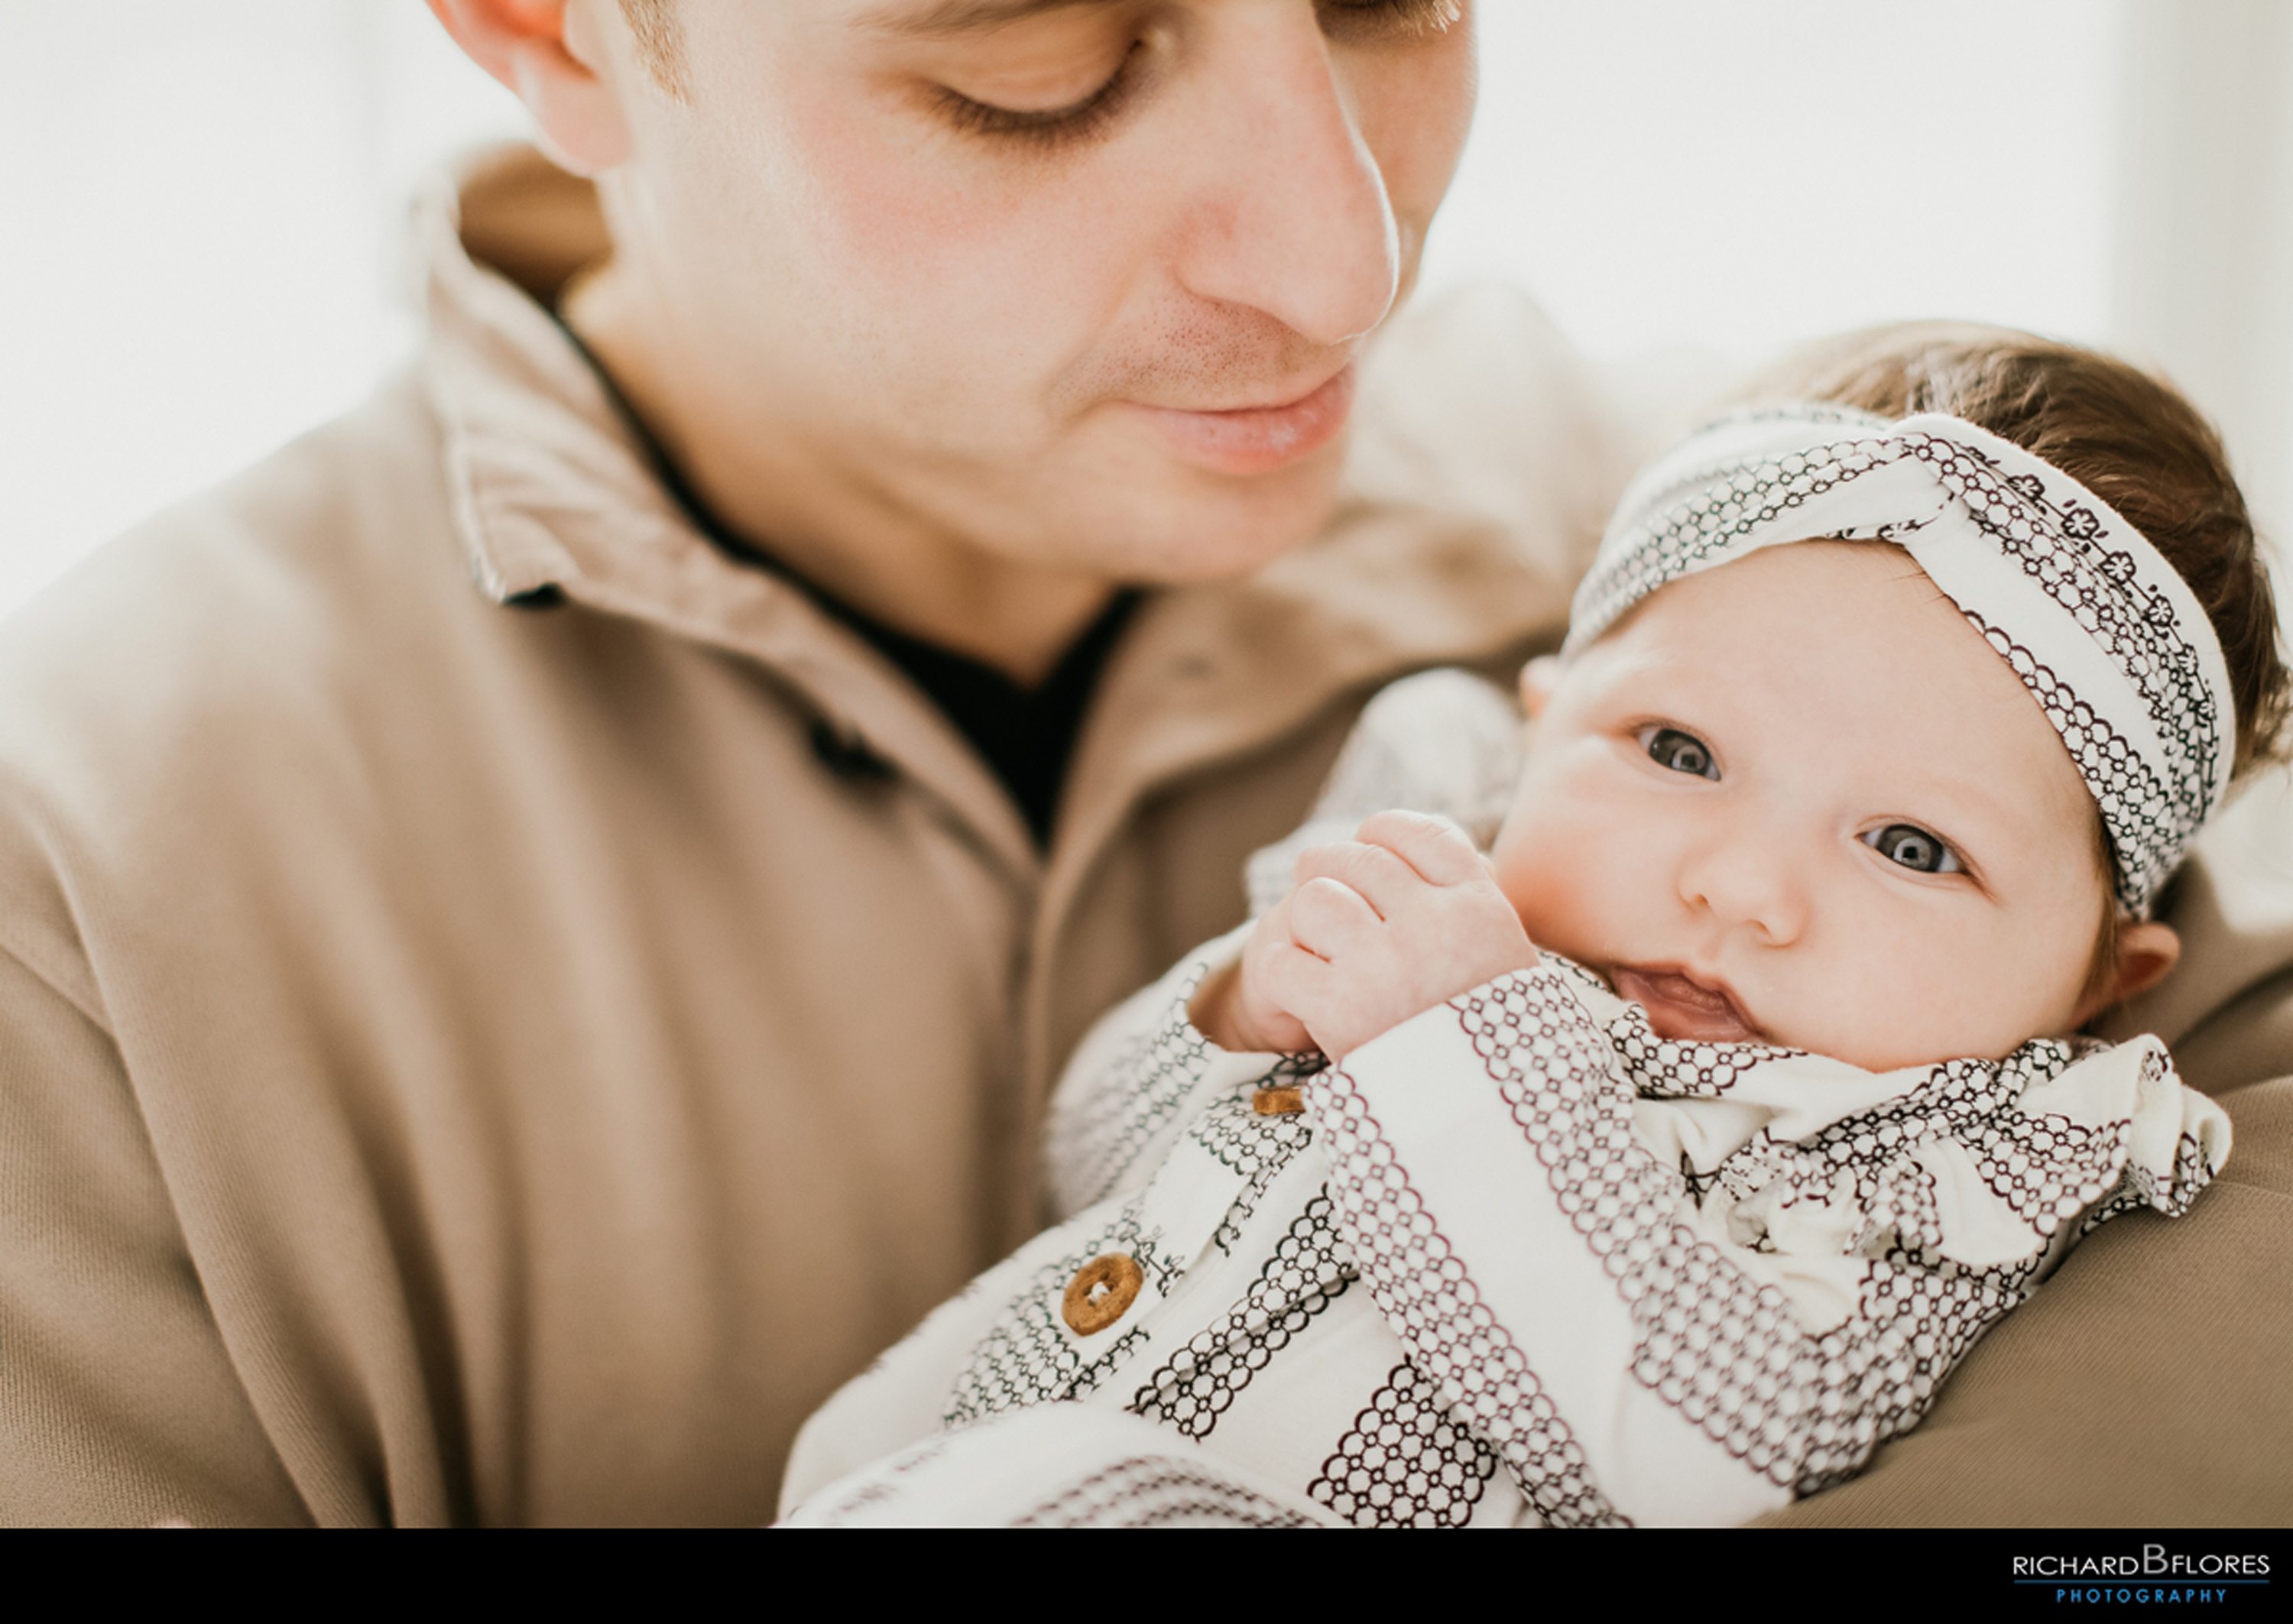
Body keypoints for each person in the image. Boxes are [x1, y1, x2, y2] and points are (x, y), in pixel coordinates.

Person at [0, 0, 1623, 1525]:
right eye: (1038, 70)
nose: (1347, 269)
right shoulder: (78, 897)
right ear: (548, 25)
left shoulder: (1725, 542)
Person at [774, 325, 2282, 1526]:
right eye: (1678, 753)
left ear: (2098, 984)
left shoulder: (1950, 1152)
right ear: (1542, 730)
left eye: (1912, 845)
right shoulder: (1432, 884)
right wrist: (1241, 1007)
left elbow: (1705, 1456)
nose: (1740, 887)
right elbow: (1084, 1162)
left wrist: (1467, 1044)